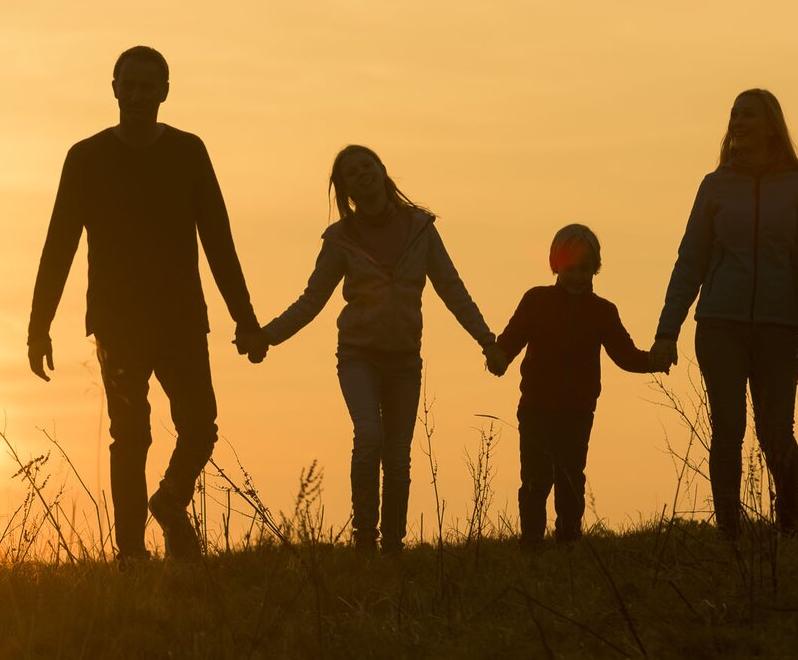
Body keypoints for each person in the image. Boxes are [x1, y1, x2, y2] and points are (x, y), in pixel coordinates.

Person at [28, 46, 268, 561]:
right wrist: (38, 327)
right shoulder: (86, 157)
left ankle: (170, 499)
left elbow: (219, 241)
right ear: (113, 87)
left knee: (200, 427)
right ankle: (131, 556)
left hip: (181, 317)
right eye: (128, 85)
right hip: (118, 323)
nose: (137, 95)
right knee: (130, 436)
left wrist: (245, 320)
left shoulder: (189, 152)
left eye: (148, 86)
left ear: (164, 92)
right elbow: (59, 245)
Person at [253, 145, 494, 555]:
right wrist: (266, 336)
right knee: (369, 436)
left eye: (367, 166)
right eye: (351, 172)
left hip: (404, 358)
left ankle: (393, 545)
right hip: (358, 356)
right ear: (344, 188)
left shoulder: (420, 229)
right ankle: (365, 537)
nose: (362, 174)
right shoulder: (340, 240)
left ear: (383, 171)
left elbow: (453, 289)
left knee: (398, 455)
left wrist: (487, 341)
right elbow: (311, 300)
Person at [648, 88, 798, 538]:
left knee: (774, 432)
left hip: (780, 328)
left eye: (748, 114)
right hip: (719, 326)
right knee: (727, 427)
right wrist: (667, 331)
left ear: (772, 125)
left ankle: (789, 520)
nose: (738, 121)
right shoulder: (714, 186)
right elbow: (689, 260)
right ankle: (730, 528)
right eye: (733, 114)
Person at [487, 225, 662, 546]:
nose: (577, 276)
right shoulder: (536, 300)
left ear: (595, 268)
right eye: (570, 268)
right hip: (536, 407)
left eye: (584, 268)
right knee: (535, 481)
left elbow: (624, 355)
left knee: (570, 479)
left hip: (578, 411)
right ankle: (531, 545)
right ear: (556, 265)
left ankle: (569, 541)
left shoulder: (603, 312)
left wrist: (654, 361)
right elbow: (511, 340)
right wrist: (497, 358)